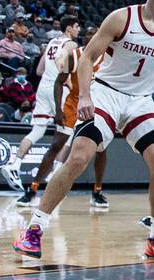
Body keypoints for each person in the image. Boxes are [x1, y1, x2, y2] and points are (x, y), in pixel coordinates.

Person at [13, 0, 154, 263]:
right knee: (79, 156)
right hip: (106, 93)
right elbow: (88, 57)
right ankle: (34, 229)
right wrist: (86, 95)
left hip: (141, 101)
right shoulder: (122, 17)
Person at [18, 25, 108, 208]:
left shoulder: (108, 60)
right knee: (56, 146)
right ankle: (33, 189)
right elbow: (58, 83)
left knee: (101, 149)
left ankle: (97, 191)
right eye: (88, 34)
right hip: (72, 105)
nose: (90, 37)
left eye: (94, 34)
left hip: (98, 105)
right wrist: (58, 110)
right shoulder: (73, 56)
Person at [3, 16, 80, 191]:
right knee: (68, 132)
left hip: (43, 87)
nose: (78, 30)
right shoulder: (71, 44)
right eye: (76, 27)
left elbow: (38, 70)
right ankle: (56, 173)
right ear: (69, 29)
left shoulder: (51, 42)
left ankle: (14, 165)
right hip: (59, 90)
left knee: (37, 130)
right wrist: (66, 80)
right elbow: (62, 62)